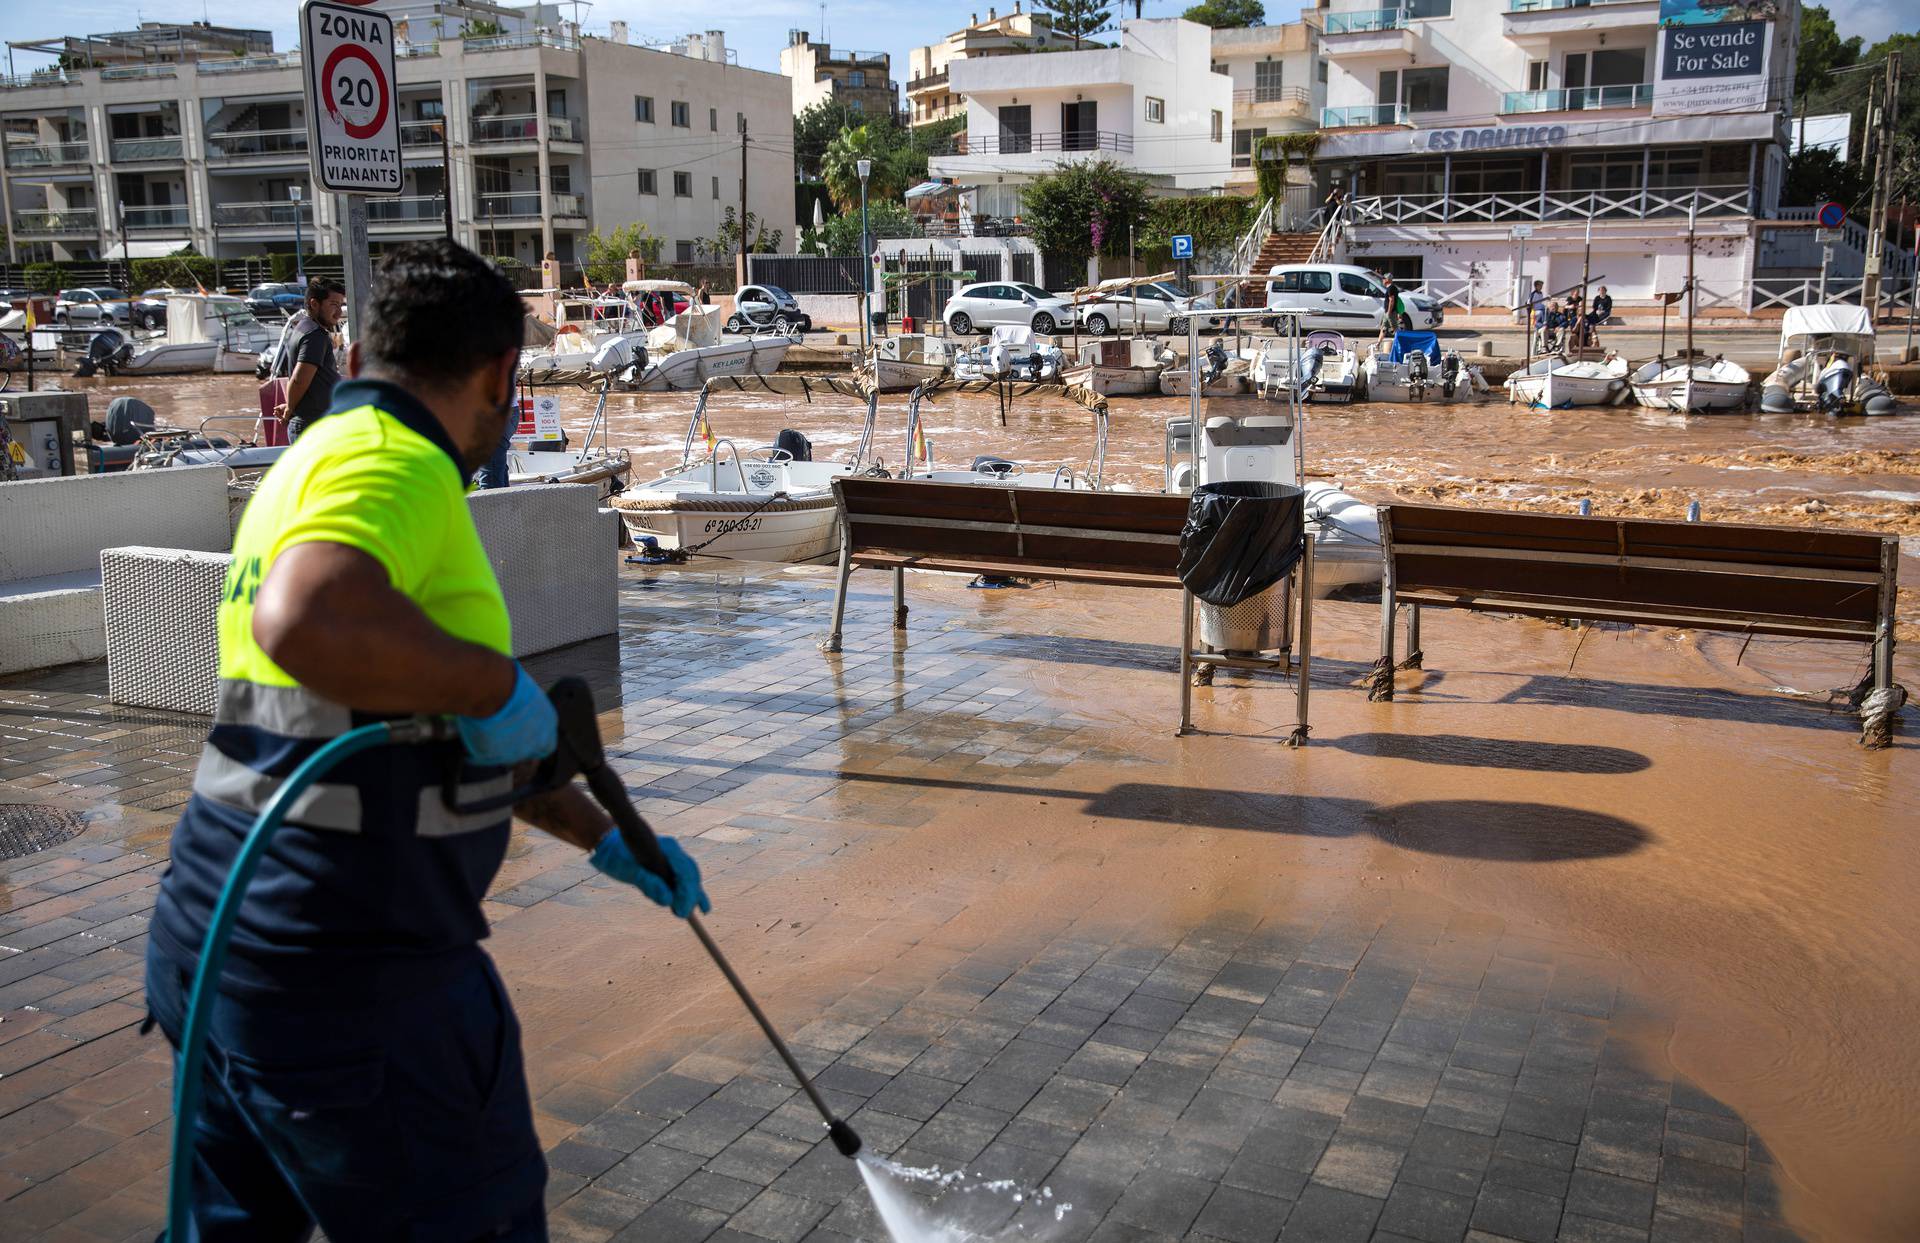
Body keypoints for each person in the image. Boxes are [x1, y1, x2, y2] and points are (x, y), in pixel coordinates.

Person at [145, 240, 709, 1241]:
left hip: (222, 940)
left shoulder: (307, 460)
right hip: (350, 978)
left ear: (361, 349)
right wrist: (499, 680)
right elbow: (306, 622)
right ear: (502, 374)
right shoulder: (395, 462)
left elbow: (411, 727)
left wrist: (606, 837)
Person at [276, 278, 346, 441]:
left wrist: (290, 405)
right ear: (314, 304)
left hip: (310, 423)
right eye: (334, 304)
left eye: (341, 305)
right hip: (311, 427)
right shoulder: (315, 336)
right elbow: (299, 379)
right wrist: (289, 410)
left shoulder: (303, 327)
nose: (339, 312)